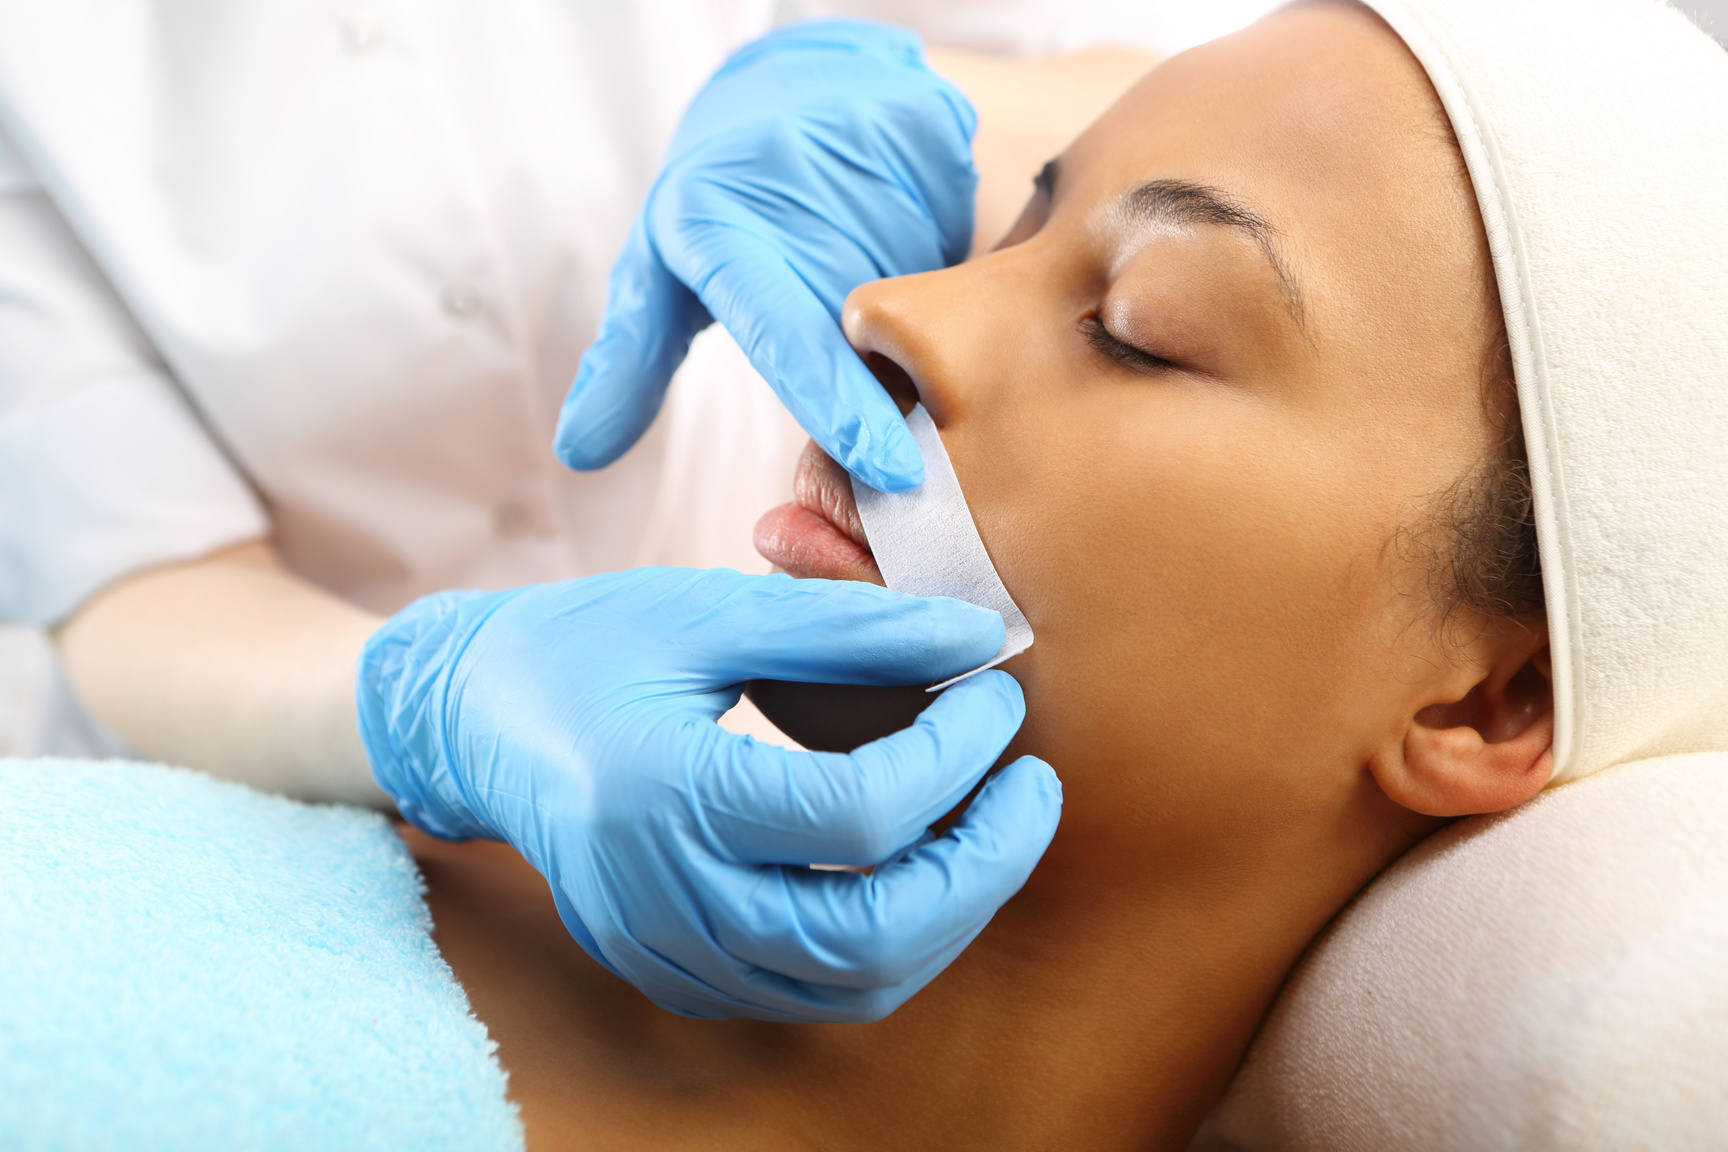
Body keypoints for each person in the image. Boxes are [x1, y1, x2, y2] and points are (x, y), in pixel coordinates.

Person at [0, 7, 1154, 1022]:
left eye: (1147, 328)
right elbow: (130, 573)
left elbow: (1186, 108)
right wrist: (440, 707)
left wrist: (931, 100)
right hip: (283, 800)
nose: (908, 324)